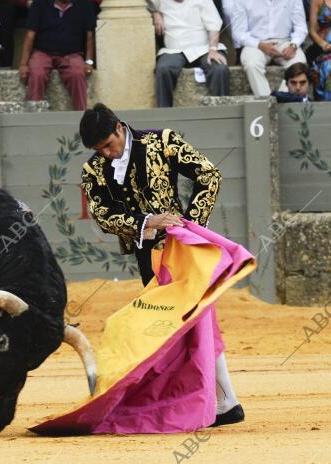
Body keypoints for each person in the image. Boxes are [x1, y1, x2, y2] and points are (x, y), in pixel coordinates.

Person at [79, 103, 244, 426]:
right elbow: (102, 216)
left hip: (181, 250)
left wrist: (190, 226)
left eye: (108, 145)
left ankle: (224, 401)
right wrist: (147, 221)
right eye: (100, 150)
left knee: (193, 322)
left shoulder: (161, 142)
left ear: (118, 128)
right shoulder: (93, 170)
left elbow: (209, 174)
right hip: (147, 256)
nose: (107, 154)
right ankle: (218, 401)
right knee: (179, 326)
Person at [18, 0, 96, 111]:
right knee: (37, 73)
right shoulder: (39, 3)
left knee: (77, 73)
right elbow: (30, 35)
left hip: (72, 54)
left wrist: (88, 62)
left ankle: (81, 116)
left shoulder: (84, 4)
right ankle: (35, 117)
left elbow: (89, 35)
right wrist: (23, 64)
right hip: (43, 52)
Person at [150, 0, 230, 108]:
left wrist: (213, 49)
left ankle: (223, 112)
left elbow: (214, 25)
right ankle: (165, 114)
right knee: (164, 68)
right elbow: (146, 4)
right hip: (174, 50)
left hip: (203, 48)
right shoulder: (160, 2)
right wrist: (155, 13)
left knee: (219, 69)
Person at [231, 0, 308, 96]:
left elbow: (301, 27)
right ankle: (267, 101)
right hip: (255, 43)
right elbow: (238, 32)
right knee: (251, 64)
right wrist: (260, 45)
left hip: (285, 41)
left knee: (299, 62)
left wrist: (293, 45)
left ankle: (281, 98)